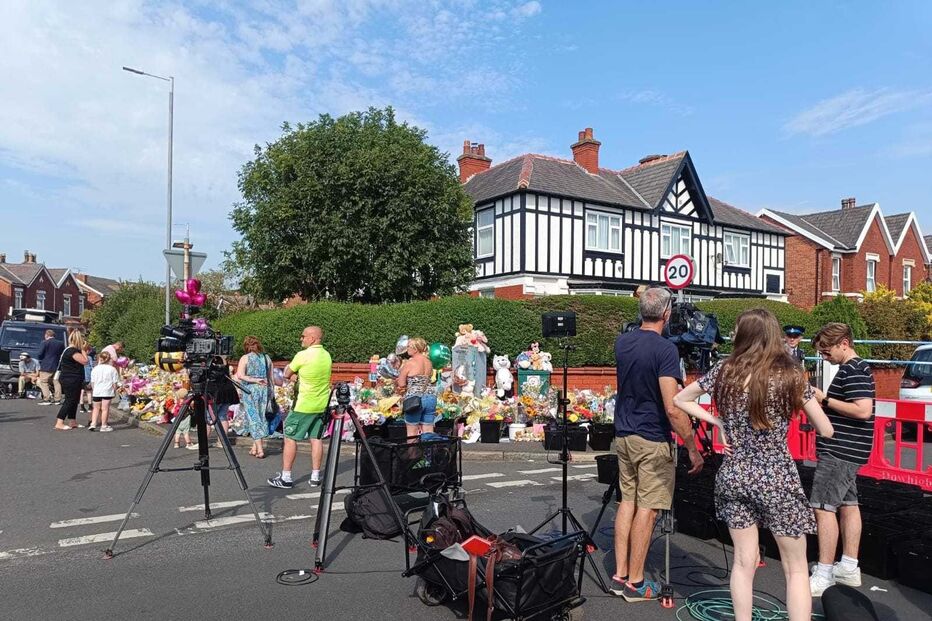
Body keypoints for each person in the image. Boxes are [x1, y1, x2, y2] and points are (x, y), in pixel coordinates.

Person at [675, 309, 834, 621]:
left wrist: (718, 421)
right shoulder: (790, 375)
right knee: (796, 568)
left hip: (735, 473)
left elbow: (681, 399)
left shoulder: (725, 370)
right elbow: (825, 429)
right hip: (777, 477)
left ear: (744, 335)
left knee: (743, 562)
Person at [611, 286, 703, 602]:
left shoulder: (622, 342)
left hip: (624, 433)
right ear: (667, 313)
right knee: (648, 509)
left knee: (627, 501)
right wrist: (692, 446)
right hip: (651, 436)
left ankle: (620, 574)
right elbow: (672, 407)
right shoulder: (665, 350)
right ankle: (636, 583)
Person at [808, 322, 875, 597]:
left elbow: (863, 410)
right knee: (848, 504)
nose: (825, 357)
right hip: (849, 450)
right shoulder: (856, 368)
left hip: (840, 451)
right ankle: (848, 565)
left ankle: (823, 573)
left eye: (827, 351)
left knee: (824, 507)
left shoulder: (853, 370)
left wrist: (824, 400)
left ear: (844, 343)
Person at [268, 326, 332, 489]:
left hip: (303, 404)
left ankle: (286, 477)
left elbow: (286, 373)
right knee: (316, 439)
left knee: (290, 437)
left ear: (312, 338)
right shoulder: (326, 355)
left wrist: (294, 375)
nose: (301, 339)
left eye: (303, 336)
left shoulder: (303, 355)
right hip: (321, 404)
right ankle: (315, 476)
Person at [235, 337, 272, 459]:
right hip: (264, 389)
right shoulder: (266, 358)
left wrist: (254, 380)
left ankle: (260, 449)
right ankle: (254, 447)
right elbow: (270, 377)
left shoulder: (245, 358)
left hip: (250, 390)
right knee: (260, 417)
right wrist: (271, 391)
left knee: (253, 418)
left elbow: (240, 375)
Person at [396, 337, 437, 437]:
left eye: (409, 346)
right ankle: (428, 447)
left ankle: (413, 448)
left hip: (414, 399)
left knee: (412, 434)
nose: (407, 349)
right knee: (428, 432)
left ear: (415, 349)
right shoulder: (429, 362)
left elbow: (401, 383)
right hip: (430, 397)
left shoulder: (410, 363)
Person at [53, 331, 90, 430]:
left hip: (74, 378)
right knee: (69, 400)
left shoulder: (71, 350)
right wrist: (83, 350)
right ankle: (59, 422)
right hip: (70, 379)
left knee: (74, 400)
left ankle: (72, 421)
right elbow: (85, 361)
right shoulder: (72, 351)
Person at [207, 357, 239, 448]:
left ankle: (203, 443)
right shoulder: (224, 363)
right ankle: (222, 442)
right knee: (223, 416)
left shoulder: (211, 363)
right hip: (227, 391)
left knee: (208, 417)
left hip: (214, 392)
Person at [89, 350, 120, 432]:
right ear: (109, 359)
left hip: (97, 391)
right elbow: (114, 383)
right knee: (105, 409)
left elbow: (92, 382)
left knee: (96, 408)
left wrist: (94, 390)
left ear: (100, 358)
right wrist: (114, 391)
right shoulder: (112, 369)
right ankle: (104, 425)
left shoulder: (95, 369)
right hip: (107, 391)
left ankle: (93, 424)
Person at [37, 329, 64, 405]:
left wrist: (41, 359)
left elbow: (40, 354)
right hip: (57, 365)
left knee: (43, 382)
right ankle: (58, 399)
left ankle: (47, 399)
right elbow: (62, 353)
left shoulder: (44, 342)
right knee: (56, 381)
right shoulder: (60, 343)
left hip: (46, 366)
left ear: (46, 335)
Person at [81, 346, 96, 415]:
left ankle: (82, 407)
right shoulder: (89, 358)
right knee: (89, 392)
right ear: (87, 351)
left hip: (81, 377)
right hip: (87, 377)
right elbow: (91, 367)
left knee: (81, 392)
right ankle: (90, 406)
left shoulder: (79, 357)